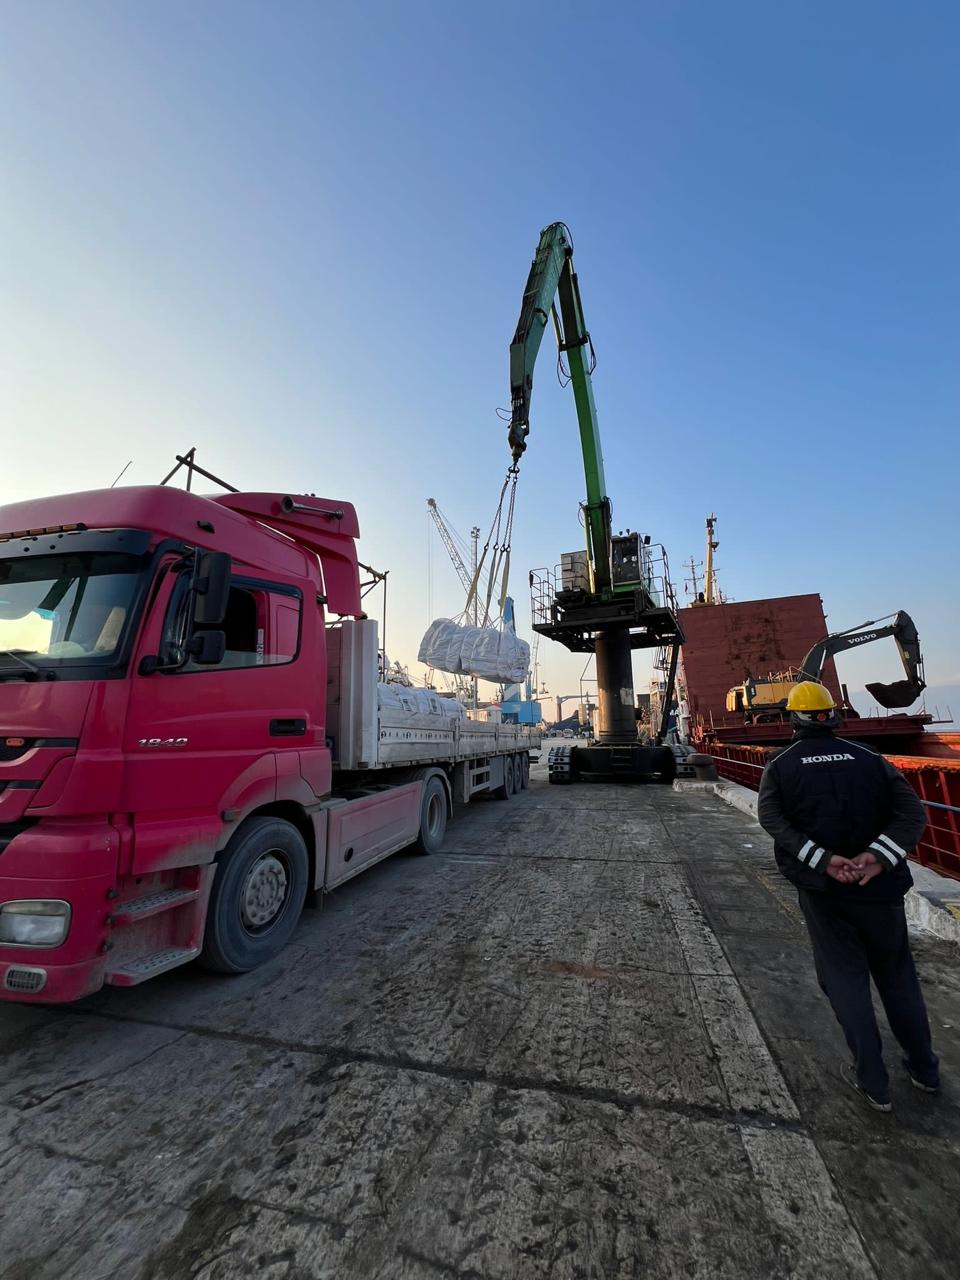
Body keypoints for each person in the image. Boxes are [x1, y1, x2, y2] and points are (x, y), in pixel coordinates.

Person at [757, 681, 940, 1112]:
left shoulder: (781, 767)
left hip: (825, 892)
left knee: (844, 979)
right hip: (882, 890)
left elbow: (773, 819)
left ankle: (874, 1082)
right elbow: (913, 813)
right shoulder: (870, 759)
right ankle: (925, 1070)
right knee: (898, 978)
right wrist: (878, 858)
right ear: (833, 716)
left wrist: (823, 861)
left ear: (792, 718)